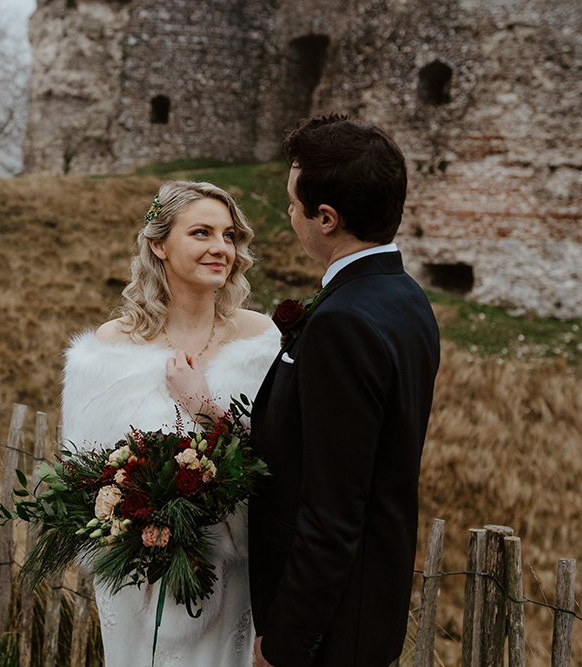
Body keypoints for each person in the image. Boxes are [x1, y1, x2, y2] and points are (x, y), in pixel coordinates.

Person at [247, 115, 441, 666]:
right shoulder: (407, 297)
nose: (289, 213)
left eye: (294, 203)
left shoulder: (343, 322)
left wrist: (286, 643)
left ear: (327, 218)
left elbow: (332, 511)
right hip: (370, 603)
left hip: (331, 629)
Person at [61, 180, 279, 666]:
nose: (221, 248)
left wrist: (205, 408)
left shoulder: (261, 341)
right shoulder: (111, 347)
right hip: (133, 574)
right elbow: (82, 475)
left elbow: (277, 460)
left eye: (228, 235)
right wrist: (139, 523)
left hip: (228, 571)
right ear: (158, 244)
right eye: (202, 233)